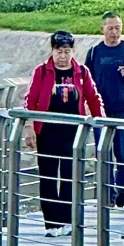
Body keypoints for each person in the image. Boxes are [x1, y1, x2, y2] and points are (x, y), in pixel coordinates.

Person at [24, 31, 103, 234]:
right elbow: (30, 100)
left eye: (67, 52)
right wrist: (30, 127)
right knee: (48, 177)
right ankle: (51, 223)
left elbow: (93, 98)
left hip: (72, 133)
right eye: (59, 51)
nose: (63, 56)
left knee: (70, 176)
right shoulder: (42, 72)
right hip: (47, 132)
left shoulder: (82, 72)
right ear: (52, 51)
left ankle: (67, 221)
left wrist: (101, 125)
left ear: (72, 52)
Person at [85, 12, 124, 207]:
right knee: (104, 154)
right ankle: (110, 195)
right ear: (102, 29)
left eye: (118, 27)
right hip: (101, 112)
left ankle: (122, 188)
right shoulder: (95, 52)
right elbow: (86, 79)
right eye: (110, 28)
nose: (114, 32)